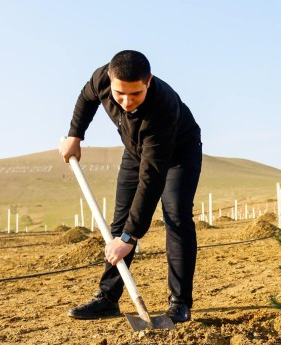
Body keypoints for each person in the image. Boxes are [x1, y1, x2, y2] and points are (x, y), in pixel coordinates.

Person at [59, 50, 202, 323]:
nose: (125, 102)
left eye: (135, 94)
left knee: (176, 216)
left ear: (148, 81)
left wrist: (130, 239)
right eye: (119, 94)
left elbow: (151, 180)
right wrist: (75, 135)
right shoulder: (103, 79)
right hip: (135, 150)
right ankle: (108, 298)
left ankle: (180, 304)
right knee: (120, 218)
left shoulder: (162, 109)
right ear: (110, 81)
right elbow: (86, 97)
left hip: (177, 154)